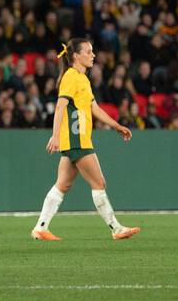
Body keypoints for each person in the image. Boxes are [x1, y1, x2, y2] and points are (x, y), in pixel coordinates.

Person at [32, 38, 141, 241]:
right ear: (76, 56)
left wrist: (117, 126)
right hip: (76, 138)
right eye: (89, 51)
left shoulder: (83, 79)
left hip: (77, 138)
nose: (93, 55)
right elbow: (60, 107)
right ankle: (116, 228)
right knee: (99, 182)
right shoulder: (71, 77)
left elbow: (94, 108)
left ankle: (40, 227)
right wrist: (55, 135)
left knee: (62, 184)